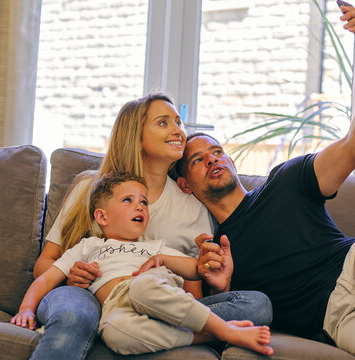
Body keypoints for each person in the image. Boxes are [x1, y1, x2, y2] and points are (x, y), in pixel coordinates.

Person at [174, 6, 355, 360]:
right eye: (197, 159)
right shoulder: (211, 255)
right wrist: (223, 286)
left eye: (218, 151)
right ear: (185, 185)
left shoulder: (285, 180)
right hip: (334, 319)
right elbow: (207, 319)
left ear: (232, 161)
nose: (212, 159)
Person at [29, 93, 272, 359]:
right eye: (163, 123)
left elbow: (194, 298)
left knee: (257, 305)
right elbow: (45, 264)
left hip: (153, 304)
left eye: (178, 122)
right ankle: (141, 332)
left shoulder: (192, 206)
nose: (178, 130)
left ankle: (140, 332)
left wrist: (218, 284)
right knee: (74, 315)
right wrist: (71, 277)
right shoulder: (91, 189)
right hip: (86, 298)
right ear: (136, 137)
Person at [12, 172, 273, 356]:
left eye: (144, 202)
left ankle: (221, 328)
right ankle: (213, 332)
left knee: (258, 303)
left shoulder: (155, 246)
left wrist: (178, 262)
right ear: (101, 216)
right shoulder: (87, 246)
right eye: (128, 200)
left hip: (154, 293)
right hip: (117, 306)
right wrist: (26, 309)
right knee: (115, 333)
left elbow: (195, 270)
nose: (140, 207)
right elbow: (46, 278)